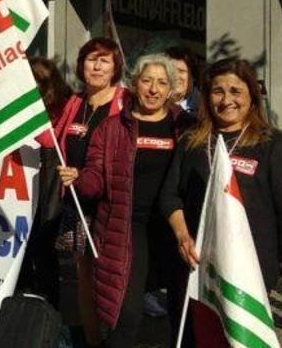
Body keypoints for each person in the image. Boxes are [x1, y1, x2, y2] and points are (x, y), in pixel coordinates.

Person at [158, 58, 282, 346]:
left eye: (235, 91)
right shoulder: (191, 141)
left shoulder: (270, 143)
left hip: (251, 263)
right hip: (197, 262)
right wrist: (182, 235)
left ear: (252, 95)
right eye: (217, 91)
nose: (227, 100)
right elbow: (169, 196)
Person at [57, 54, 192, 347]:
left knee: (184, 316)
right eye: (147, 81)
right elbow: (95, 179)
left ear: (171, 89)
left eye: (162, 83)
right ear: (134, 84)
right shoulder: (113, 128)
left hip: (178, 229)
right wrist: (77, 179)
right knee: (126, 314)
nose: (153, 89)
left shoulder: (186, 127)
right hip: (128, 230)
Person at [43, 38, 127, 345]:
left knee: (113, 279)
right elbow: (49, 138)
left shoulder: (124, 101)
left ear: (116, 67)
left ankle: (117, 338)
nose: (97, 66)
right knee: (85, 279)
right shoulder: (74, 103)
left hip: (112, 205)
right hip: (78, 204)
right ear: (82, 65)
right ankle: (93, 341)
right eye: (92, 59)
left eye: (105, 61)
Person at [17, 57, 71, 307]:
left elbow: (51, 142)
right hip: (28, 178)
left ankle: (51, 301)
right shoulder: (25, 103)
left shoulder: (66, 102)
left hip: (51, 180)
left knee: (44, 241)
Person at [166, 46, 201, 115]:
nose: (175, 76)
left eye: (181, 71)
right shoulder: (155, 104)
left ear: (193, 76)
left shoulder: (205, 106)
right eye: (170, 70)